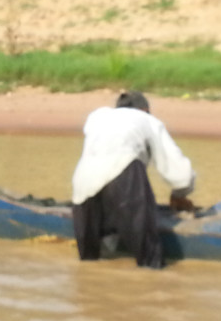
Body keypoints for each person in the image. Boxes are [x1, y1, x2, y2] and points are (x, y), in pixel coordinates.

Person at [71, 90, 195, 268]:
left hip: (83, 182)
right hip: (124, 177)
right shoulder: (148, 121)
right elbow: (178, 172)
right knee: (150, 260)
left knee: (88, 261)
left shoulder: (97, 117)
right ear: (144, 109)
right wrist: (180, 193)